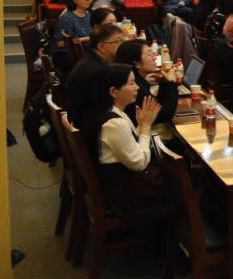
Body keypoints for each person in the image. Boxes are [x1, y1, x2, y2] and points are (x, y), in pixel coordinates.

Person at [87, 63, 167, 220]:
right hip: (123, 194)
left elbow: (128, 145)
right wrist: (146, 127)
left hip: (121, 182)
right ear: (113, 91)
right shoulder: (114, 123)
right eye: (131, 83)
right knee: (179, 181)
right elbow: (139, 163)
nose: (137, 87)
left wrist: (141, 126)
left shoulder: (113, 113)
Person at [64, 23, 126, 133]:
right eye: (118, 41)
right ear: (101, 47)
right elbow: (107, 106)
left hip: (87, 120)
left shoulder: (92, 60)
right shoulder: (97, 71)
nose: (122, 45)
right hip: (93, 129)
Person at [115, 39, 179, 127]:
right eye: (149, 55)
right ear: (137, 64)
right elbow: (164, 115)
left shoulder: (139, 80)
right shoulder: (135, 88)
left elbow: (157, 105)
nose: (154, 57)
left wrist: (163, 82)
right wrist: (171, 83)